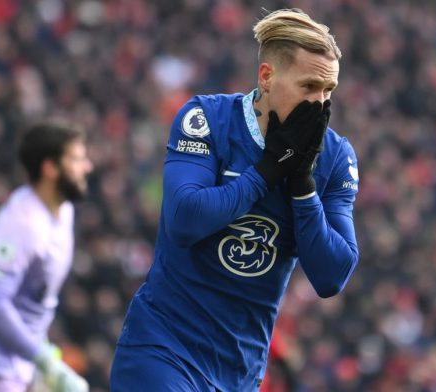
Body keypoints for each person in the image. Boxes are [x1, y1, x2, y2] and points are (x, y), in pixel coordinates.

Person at [111, 8, 360, 391]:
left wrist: (302, 183)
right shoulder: (207, 119)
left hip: (240, 373)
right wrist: (265, 173)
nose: (320, 104)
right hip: (164, 349)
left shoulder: (335, 157)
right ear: (267, 76)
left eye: (329, 91)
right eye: (309, 87)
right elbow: (184, 218)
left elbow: (332, 275)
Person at [0, 123, 93, 392]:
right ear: (50, 169)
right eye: (77, 159)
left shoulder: (62, 211)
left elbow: (32, 299)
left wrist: (41, 353)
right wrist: (44, 360)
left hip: (12, 363)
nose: (87, 167)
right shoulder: (21, 225)